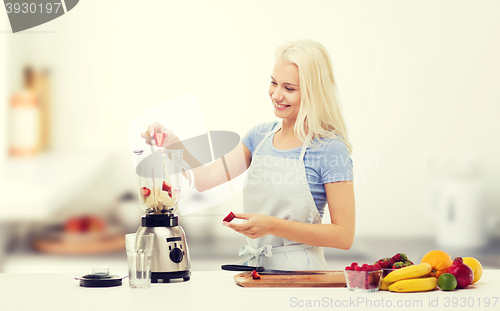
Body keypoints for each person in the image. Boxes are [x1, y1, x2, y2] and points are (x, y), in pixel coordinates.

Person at [142, 39, 355, 270]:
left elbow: (343, 236)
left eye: (289, 88)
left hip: (301, 275)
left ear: (314, 92)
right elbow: (205, 179)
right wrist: (174, 143)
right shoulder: (259, 136)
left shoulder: (330, 148)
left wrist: (272, 226)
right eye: (274, 83)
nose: (276, 94)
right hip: (254, 270)